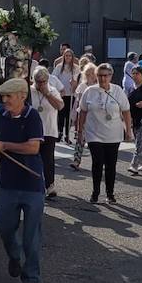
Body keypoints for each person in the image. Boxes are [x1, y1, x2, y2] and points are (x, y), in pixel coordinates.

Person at [0, 78, 47, 283]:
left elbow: (33, 148)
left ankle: (31, 277)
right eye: (3, 97)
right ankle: (14, 255)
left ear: (22, 96)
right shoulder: (1, 115)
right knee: (4, 229)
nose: (5, 100)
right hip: (7, 184)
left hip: (32, 186)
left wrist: (4, 145)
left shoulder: (32, 117)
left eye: (9, 96)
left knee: (32, 236)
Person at [78, 63, 132, 202]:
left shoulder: (118, 90)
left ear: (111, 76)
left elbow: (126, 111)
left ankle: (110, 193)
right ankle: (95, 192)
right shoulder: (89, 91)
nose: (103, 79)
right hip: (94, 132)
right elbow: (82, 111)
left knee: (111, 164)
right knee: (97, 162)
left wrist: (128, 130)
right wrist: (80, 131)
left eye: (106, 76)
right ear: (96, 76)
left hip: (113, 133)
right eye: (100, 76)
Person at [29, 67, 63, 199]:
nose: (41, 84)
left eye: (43, 82)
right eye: (38, 82)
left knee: (48, 160)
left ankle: (50, 185)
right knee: (32, 159)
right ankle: (34, 185)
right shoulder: (29, 91)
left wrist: (47, 94)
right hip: (32, 131)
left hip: (49, 130)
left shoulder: (53, 90)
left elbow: (60, 106)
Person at [70, 63, 99, 171]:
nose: (90, 75)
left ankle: (99, 162)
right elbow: (79, 104)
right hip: (84, 115)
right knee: (80, 139)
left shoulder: (99, 86)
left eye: (92, 73)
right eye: (88, 73)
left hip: (96, 118)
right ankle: (76, 161)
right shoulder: (82, 86)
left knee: (96, 142)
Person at [52, 46, 79, 143]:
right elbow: (54, 78)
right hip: (61, 94)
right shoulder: (59, 67)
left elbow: (78, 80)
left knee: (69, 115)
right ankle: (59, 133)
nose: (68, 57)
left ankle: (67, 135)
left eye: (70, 56)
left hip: (71, 93)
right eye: (66, 56)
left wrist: (74, 83)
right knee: (61, 114)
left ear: (72, 57)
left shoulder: (76, 68)